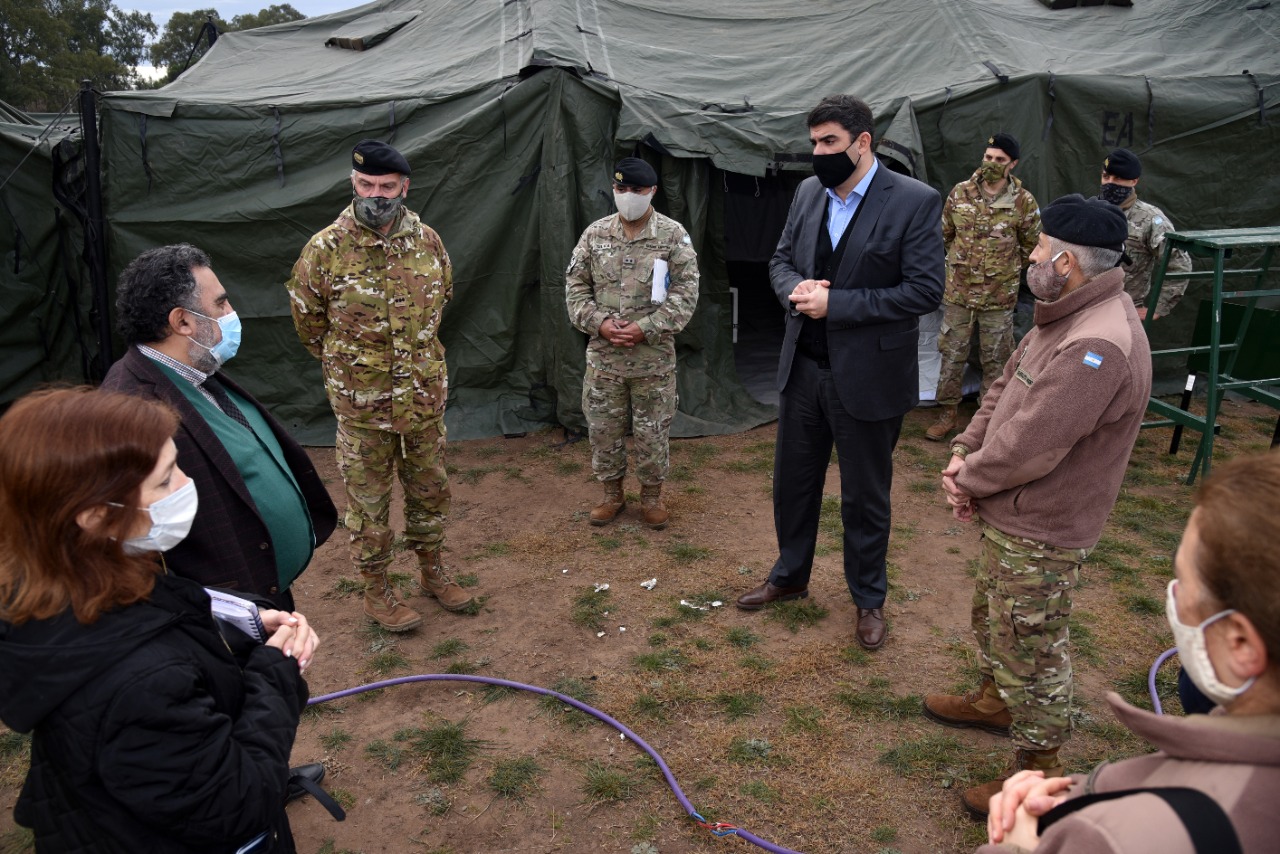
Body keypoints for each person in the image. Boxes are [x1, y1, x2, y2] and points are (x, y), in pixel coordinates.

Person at [0, 387, 316, 853]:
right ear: (94, 515)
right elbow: (236, 804)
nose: (188, 484)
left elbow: (151, 615)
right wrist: (276, 674)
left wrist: (233, 620)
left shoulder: (59, 574)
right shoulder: (140, 682)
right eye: (166, 478)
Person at [925, 194, 1153, 816]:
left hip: (1044, 525)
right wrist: (967, 447)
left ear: (1066, 262)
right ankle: (996, 701)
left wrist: (968, 480)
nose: (1030, 253)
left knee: (1032, 650)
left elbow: (1035, 447)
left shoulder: (1096, 344)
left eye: (1039, 246)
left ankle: (1041, 779)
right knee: (997, 623)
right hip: (1016, 511)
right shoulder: (1066, 313)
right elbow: (1008, 384)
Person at [978, 451, 1280, 853]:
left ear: (1241, 644)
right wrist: (1084, 791)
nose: (1172, 595)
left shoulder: (1115, 838)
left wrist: (1015, 843)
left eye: (1183, 580)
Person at [735, 94, 945, 651]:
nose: (818, 154)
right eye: (813, 144)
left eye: (829, 143)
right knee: (792, 485)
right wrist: (795, 291)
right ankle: (789, 575)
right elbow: (780, 261)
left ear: (863, 143)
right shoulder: (808, 192)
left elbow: (924, 290)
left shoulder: (914, 202)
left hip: (870, 379)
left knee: (865, 496)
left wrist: (841, 304)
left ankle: (868, 599)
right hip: (803, 370)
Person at [287, 139, 474, 632]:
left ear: (404, 187)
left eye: (387, 186)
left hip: (423, 398)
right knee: (368, 504)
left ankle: (433, 570)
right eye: (366, 185)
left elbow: (442, 299)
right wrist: (355, 368)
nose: (376, 196)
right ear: (353, 183)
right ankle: (376, 591)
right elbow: (309, 324)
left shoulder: (428, 241)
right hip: (363, 406)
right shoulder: (325, 249)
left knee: (430, 490)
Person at [102, 243, 337, 614]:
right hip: (225, 617)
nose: (232, 314)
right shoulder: (131, 411)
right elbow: (136, 545)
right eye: (221, 304)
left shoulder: (194, 371)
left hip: (265, 596)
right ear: (182, 322)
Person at [564, 156, 700, 529]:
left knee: (652, 432)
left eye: (636, 190)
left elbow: (686, 295)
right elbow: (575, 289)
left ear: (652, 191)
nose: (628, 196)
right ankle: (611, 496)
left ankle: (652, 497)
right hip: (604, 360)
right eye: (621, 189)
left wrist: (647, 328)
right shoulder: (595, 235)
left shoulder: (673, 236)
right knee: (603, 430)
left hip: (652, 360)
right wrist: (601, 323)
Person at [927, 133, 1040, 442]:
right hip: (959, 294)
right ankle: (947, 413)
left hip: (999, 297)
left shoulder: (1023, 201)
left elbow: (1031, 246)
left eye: (1000, 160)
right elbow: (946, 234)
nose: (991, 164)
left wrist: (1002, 270)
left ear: (1013, 164)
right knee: (952, 354)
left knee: (996, 359)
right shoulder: (960, 193)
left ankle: (986, 419)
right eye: (988, 157)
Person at [1098, 148, 1192, 321]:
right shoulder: (1089, 212)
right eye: (1106, 177)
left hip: (1123, 313)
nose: (1110, 183)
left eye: (1118, 178)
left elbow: (1179, 265)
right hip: (1085, 310)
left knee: (1103, 350)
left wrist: (1158, 308)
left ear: (1134, 181)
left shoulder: (1151, 220)